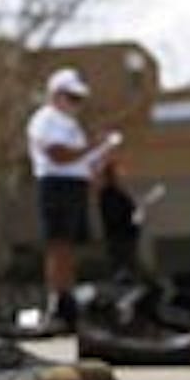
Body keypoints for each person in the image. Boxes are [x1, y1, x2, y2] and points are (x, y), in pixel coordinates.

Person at [27, 67, 121, 329]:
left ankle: (68, 296)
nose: (76, 104)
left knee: (70, 244)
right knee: (58, 243)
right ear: (56, 95)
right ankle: (58, 299)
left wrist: (103, 154)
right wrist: (93, 145)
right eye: (71, 97)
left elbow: (82, 160)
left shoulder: (71, 125)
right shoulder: (45, 119)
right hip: (55, 184)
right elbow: (58, 154)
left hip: (74, 185)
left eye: (79, 99)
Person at [96, 155, 141, 278]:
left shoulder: (118, 193)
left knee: (129, 263)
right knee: (123, 264)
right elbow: (115, 215)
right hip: (120, 237)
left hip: (126, 235)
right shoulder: (109, 194)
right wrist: (132, 216)